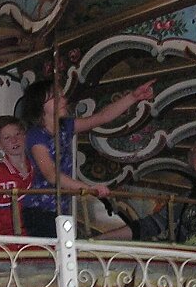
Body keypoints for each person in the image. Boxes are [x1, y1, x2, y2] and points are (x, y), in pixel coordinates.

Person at [21, 77, 154, 238]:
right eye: (56, 97)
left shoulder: (65, 127)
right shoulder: (36, 136)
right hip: (40, 210)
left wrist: (133, 97)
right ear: (40, 106)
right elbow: (51, 174)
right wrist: (88, 188)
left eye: (62, 96)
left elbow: (101, 117)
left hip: (59, 208)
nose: (63, 100)